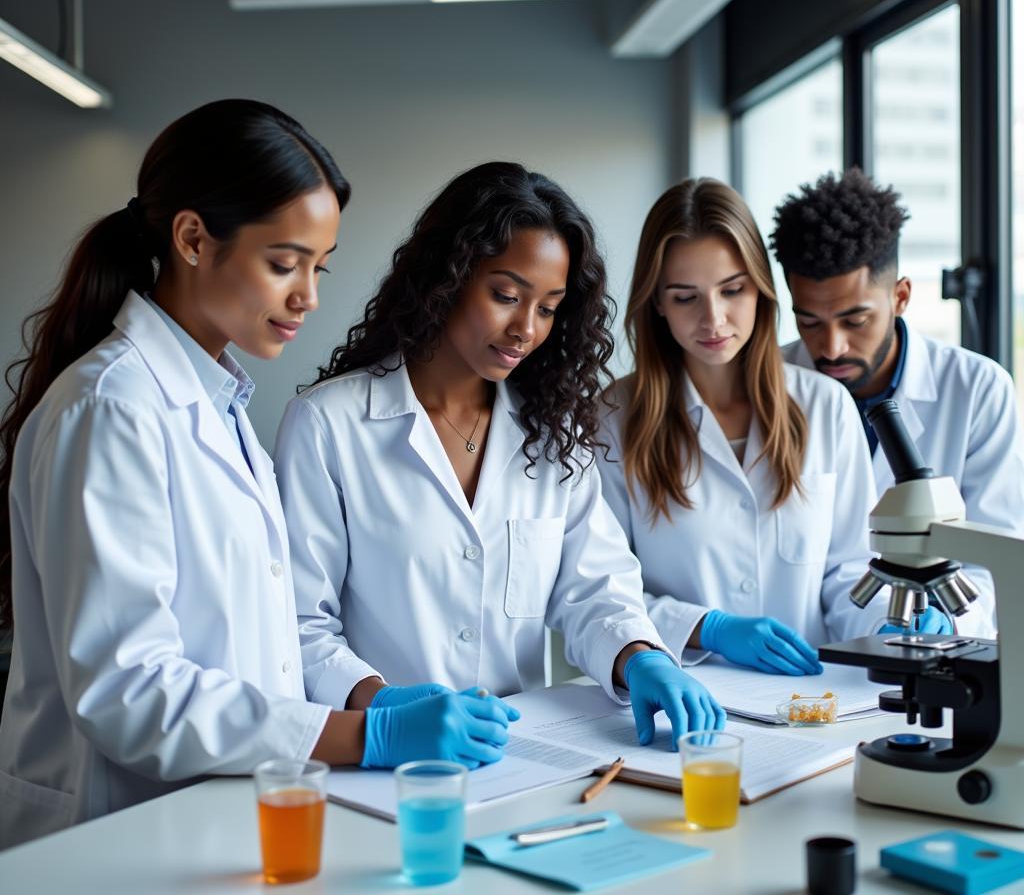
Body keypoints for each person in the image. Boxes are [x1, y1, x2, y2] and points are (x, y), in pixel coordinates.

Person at [0, 101, 509, 851]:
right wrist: (358, 737)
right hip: (115, 833)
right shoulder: (112, 408)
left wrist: (370, 701)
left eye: (318, 267)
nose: (308, 295)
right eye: (284, 263)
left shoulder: (221, 403)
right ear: (193, 239)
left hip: (220, 814)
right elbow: (128, 693)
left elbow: (260, 643)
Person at [273, 161, 726, 756]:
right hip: (388, 763)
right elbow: (301, 622)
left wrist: (638, 658)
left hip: (517, 756)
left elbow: (593, 588)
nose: (526, 330)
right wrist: (376, 702)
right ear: (448, 277)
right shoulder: (329, 425)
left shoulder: (551, 431)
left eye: (548, 308)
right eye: (507, 296)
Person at [597, 178, 885, 675]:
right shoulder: (614, 416)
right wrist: (707, 626)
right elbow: (602, 586)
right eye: (685, 297)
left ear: (761, 289)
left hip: (810, 693)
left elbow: (850, 569)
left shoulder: (825, 404)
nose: (714, 320)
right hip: (686, 689)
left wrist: (889, 625)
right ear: (658, 303)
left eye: (732, 290)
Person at [770, 167, 1024, 638]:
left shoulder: (977, 389)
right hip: (811, 659)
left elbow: (996, 558)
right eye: (809, 321)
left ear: (901, 296)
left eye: (855, 320)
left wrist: (942, 623)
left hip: (943, 649)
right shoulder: (772, 387)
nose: (831, 347)